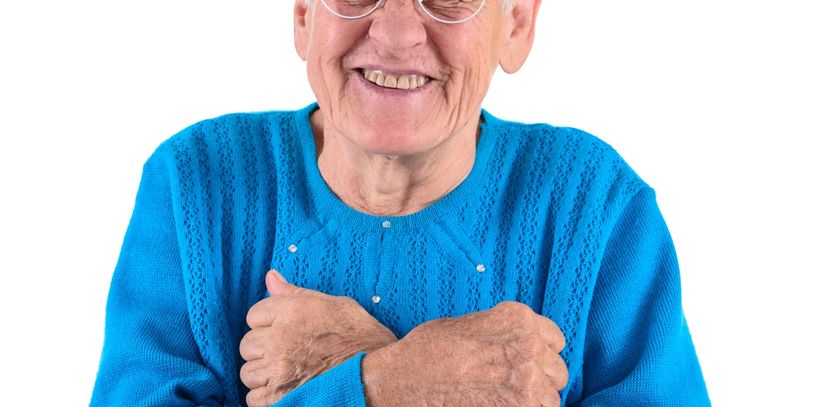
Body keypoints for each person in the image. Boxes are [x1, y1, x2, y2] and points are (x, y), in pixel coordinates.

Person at [91, 0, 710, 405]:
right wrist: (392, 380)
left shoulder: (594, 207)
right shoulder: (196, 184)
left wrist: (341, 369)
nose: (393, 36)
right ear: (305, 14)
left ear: (515, 24)